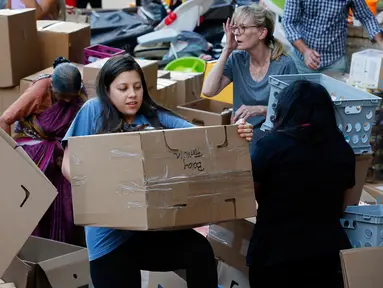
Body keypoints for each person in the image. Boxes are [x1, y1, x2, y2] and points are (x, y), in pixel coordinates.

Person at [60, 55, 253, 288]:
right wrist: (101, 193)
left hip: (149, 230)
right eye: (123, 88)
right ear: (107, 89)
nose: (132, 94)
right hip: (109, 237)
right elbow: (68, 164)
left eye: (137, 87)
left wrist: (236, 133)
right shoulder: (94, 111)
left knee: (199, 251)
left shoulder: (153, 115)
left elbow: (203, 139)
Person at [247, 80, 355, 288]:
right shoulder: (343, 149)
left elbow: (251, 193)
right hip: (326, 256)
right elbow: (346, 204)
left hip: (275, 254)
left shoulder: (270, 146)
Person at [0, 57, 87, 245]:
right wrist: (12, 160)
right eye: (62, 96)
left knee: (67, 203)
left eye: (70, 97)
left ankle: (61, 246)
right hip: (33, 151)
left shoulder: (78, 93)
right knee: (35, 201)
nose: (66, 101)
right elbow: (5, 119)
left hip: (61, 153)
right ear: (52, 87)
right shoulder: (40, 89)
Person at [202, 3, 297, 149]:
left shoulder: (285, 65)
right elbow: (208, 91)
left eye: (243, 28)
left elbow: (294, 112)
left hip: (272, 139)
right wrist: (226, 50)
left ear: (262, 33)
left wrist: (261, 109)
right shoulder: (237, 58)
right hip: (241, 134)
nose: (237, 33)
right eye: (235, 28)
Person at [283, 0, 383, 74]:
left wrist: (381, 42)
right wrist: (305, 51)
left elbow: (366, 17)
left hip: (335, 63)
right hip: (301, 62)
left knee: (335, 101)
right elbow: (288, 22)